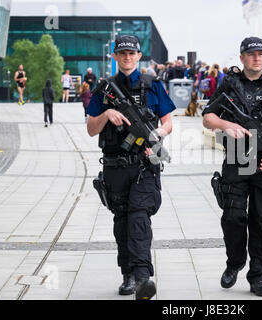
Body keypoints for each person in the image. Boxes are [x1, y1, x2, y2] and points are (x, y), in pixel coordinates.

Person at [202, 37, 262, 297]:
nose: (257, 58)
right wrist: (227, 125)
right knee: (232, 216)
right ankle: (234, 263)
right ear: (242, 57)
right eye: (251, 54)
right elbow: (208, 117)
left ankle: (258, 276)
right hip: (236, 156)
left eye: (260, 54)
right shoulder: (230, 84)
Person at [86, 35, 175, 299]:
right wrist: (106, 114)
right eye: (122, 53)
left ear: (139, 56)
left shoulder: (153, 85)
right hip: (115, 166)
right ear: (115, 56)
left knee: (139, 218)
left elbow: (169, 122)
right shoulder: (104, 89)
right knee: (122, 220)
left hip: (145, 165)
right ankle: (127, 274)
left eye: (131, 53)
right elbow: (91, 129)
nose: (127, 57)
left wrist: (157, 134)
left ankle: (142, 276)